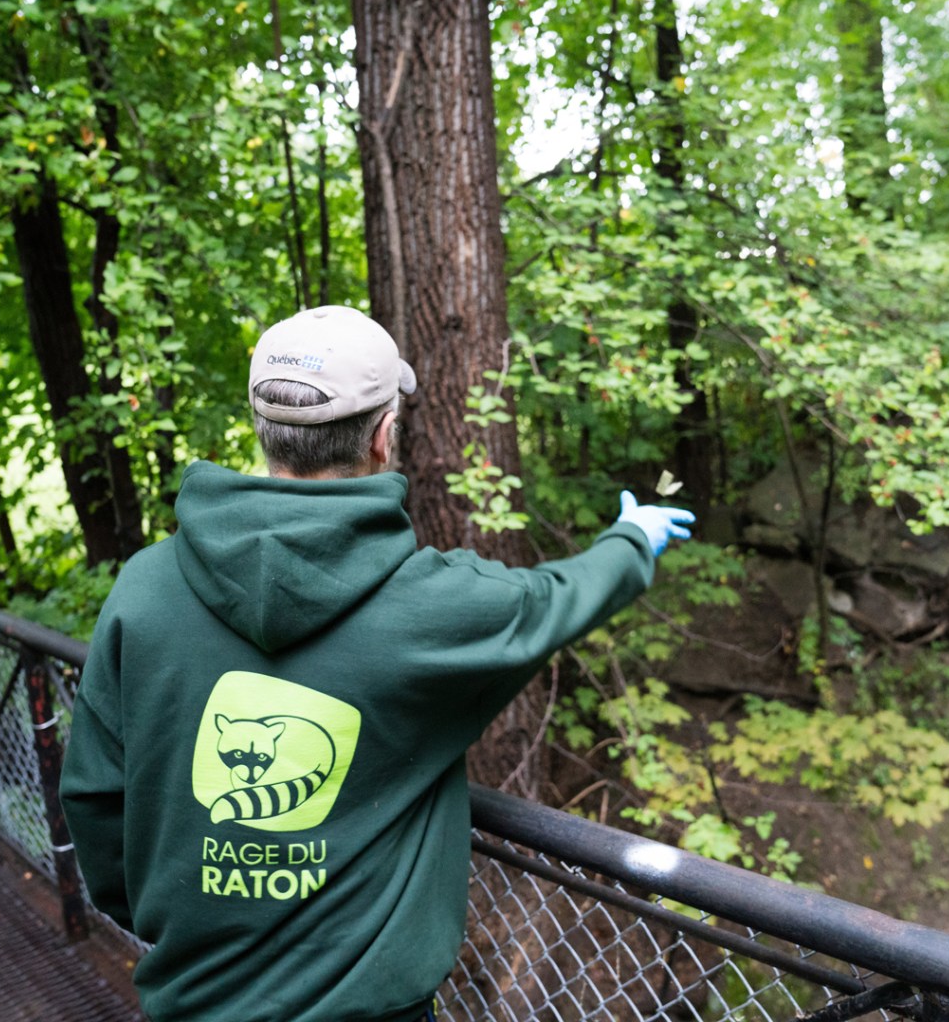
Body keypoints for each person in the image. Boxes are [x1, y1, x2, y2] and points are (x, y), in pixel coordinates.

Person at [60, 305, 695, 1022]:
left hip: (192, 998)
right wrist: (631, 541)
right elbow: (554, 599)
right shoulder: (436, 606)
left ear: (265, 427)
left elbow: (94, 794)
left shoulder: (145, 588)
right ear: (384, 435)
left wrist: (172, 915)